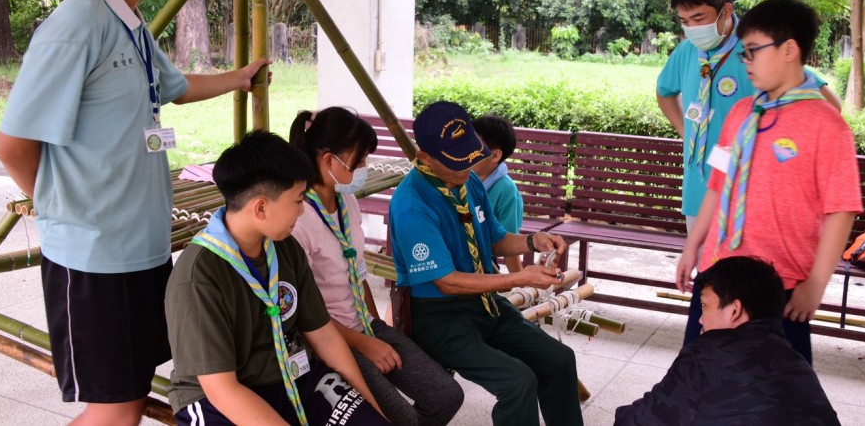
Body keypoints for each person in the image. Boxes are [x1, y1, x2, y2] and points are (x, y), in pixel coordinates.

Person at [0, 0, 269, 426]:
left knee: (130, 397)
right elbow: (11, 145)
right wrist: (61, 208)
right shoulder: (77, 23)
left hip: (140, 248)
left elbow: (174, 87)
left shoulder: (129, 20)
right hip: (94, 258)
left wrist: (239, 78)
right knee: (116, 409)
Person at [675, 0, 862, 363]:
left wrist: (816, 284)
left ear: (789, 50)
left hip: (782, 286)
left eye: (752, 52)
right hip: (718, 273)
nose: (746, 62)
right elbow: (717, 185)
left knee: (779, 386)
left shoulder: (827, 126)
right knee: (699, 375)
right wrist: (692, 246)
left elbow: (841, 211)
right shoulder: (740, 114)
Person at [166, 130, 388, 425]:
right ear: (260, 207)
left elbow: (323, 335)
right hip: (219, 398)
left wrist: (374, 412)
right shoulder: (199, 276)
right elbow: (222, 390)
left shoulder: (284, 247)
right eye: (297, 201)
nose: (302, 210)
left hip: (294, 376)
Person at [389, 100, 583, 426]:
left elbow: (494, 238)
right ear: (424, 157)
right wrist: (520, 279)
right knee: (517, 382)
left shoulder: (469, 181)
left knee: (559, 359)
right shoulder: (411, 203)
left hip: (483, 303)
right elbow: (447, 282)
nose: (466, 166)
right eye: (456, 161)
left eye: (470, 154)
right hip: (437, 317)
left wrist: (533, 240)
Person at [289, 107, 464, 426]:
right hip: (331, 339)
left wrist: (377, 329)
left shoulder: (346, 201)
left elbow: (358, 275)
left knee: (446, 395)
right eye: (358, 162)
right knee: (402, 418)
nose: (364, 169)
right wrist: (364, 344)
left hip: (364, 325)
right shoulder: (298, 219)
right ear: (329, 161)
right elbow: (303, 316)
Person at [656, 0, 840, 234]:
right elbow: (664, 92)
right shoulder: (687, 51)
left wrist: (784, 151)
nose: (692, 29)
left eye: (699, 18)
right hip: (699, 192)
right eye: (684, 21)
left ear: (726, 10)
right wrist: (686, 132)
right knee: (704, 260)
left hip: (754, 196)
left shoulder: (758, 46)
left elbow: (829, 105)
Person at [615, 256, 840, 426]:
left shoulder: (708, 355)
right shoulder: (798, 363)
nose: (701, 319)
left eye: (705, 306)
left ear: (734, 310)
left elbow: (640, 420)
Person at [472, 114, 525, 273]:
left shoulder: (506, 191)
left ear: (495, 156)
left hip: (483, 262)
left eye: (472, 145)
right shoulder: (456, 175)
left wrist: (520, 282)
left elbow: (509, 245)